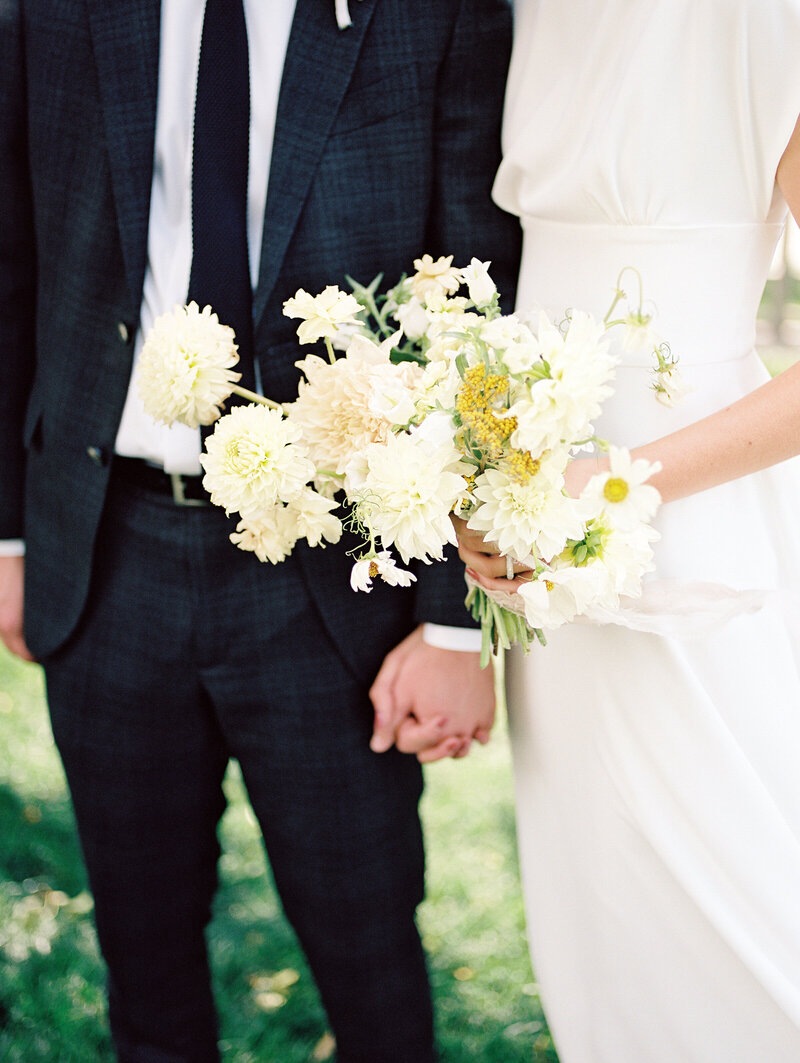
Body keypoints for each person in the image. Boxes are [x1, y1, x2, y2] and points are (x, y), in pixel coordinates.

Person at [0, 2, 520, 1061]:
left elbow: (481, 298)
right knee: (143, 971)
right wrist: (7, 536)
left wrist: (456, 624)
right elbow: (10, 265)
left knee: (371, 966)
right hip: (107, 554)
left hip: (337, 581)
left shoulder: (437, 15)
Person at [456, 1, 800, 1060]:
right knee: (600, 910)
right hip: (532, 506)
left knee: (727, 898)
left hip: (676, 504)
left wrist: (612, 481)